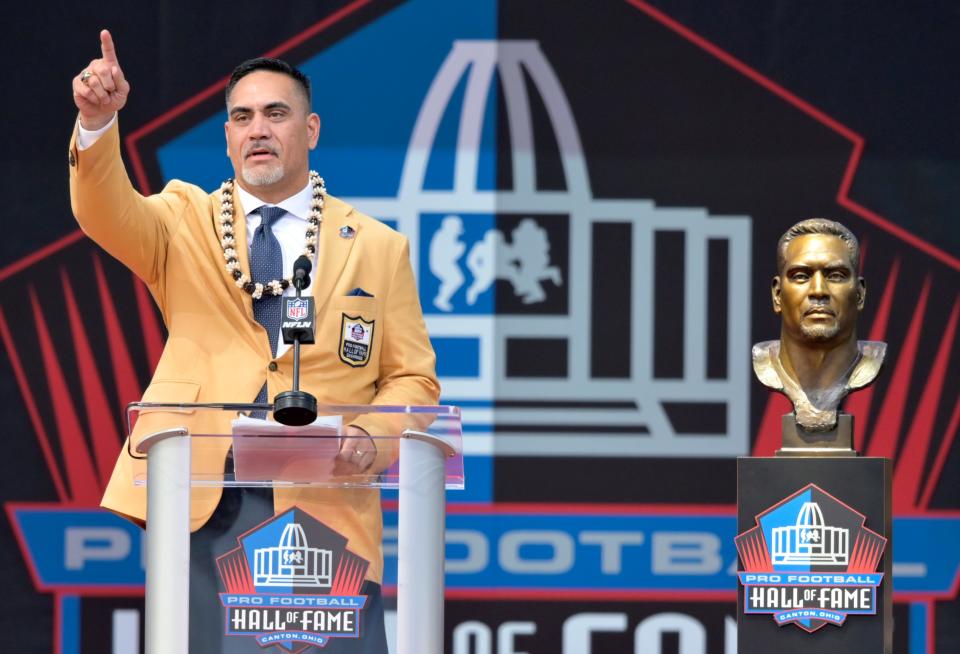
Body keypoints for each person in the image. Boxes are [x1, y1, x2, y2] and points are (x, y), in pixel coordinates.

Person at [70, 30, 439, 652]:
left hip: (327, 501)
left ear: (311, 129)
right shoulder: (182, 218)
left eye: (276, 113)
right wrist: (96, 122)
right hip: (204, 498)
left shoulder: (376, 246)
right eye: (241, 117)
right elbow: (104, 211)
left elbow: (414, 379)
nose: (257, 129)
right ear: (227, 136)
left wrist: (371, 435)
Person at [752, 218, 884, 432]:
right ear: (777, 295)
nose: (818, 291)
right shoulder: (764, 364)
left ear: (859, 294)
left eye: (836, 276)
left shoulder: (871, 362)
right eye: (801, 276)